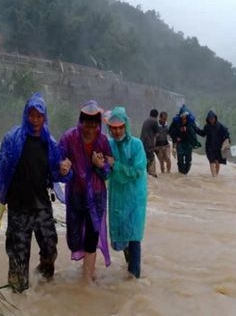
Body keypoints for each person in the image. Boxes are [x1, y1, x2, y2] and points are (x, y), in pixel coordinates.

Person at [0, 92, 72, 293]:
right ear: (25, 115)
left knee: (50, 248)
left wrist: (66, 170)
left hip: (41, 206)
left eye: (39, 116)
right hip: (18, 207)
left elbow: (58, 174)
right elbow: (0, 167)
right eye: (31, 115)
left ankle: (43, 282)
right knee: (17, 255)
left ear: (45, 117)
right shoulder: (12, 139)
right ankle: (18, 298)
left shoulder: (49, 142)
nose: (35, 120)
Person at [59, 100, 112, 281]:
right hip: (75, 193)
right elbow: (58, 162)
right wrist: (63, 167)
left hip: (96, 195)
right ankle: (87, 270)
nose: (90, 128)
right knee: (73, 240)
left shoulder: (103, 141)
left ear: (98, 123)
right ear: (81, 121)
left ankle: (87, 278)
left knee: (92, 235)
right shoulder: (69, 138)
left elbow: (108, 172)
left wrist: (100, 165)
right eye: (86, 123)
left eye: (94, 124)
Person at [105, 107, 147, 278]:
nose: (117, 131)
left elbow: (137, 171)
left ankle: (134, 276)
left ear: (126, 126)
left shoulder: (137, 145)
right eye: (113, 128)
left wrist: (115, 165)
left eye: (120, 127)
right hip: (117, 196)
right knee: (122, 232)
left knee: (134, 234)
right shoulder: (109, 145)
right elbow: (104, 172)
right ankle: (130, 268)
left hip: (135, 197)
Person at [168, 105, 201, 175]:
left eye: (185, 115)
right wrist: (176, 137)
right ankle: (181, 173)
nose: (184, 116)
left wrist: (203, 133)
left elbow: (195, 130)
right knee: (180, 158)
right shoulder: (176, 121)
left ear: (187, 115)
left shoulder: (191, 121)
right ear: (180, 115)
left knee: (188, 159)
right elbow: (170, 131)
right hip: (180, 142)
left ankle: (185, 173)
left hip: (188, 142)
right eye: (182, 115)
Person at [196, 110, 231, 177]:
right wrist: (196, 129)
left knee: (217, 162)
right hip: (209, 148)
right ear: (208, 119)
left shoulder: (220, 126)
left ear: (215, 118)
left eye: (212, 118)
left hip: (218, 147)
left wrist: (227, 140)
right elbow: (203, 134)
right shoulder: (207, 126)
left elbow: (226, 134)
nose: (211, 120)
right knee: (211, 162)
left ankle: (216, 175)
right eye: (210, 118)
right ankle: (214, 177)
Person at [140, 109, 160, 177]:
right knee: (151, 157)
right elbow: (157, 134)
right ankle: (151, 173)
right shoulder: (154, 121)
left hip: (142, 142)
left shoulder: (146, 120)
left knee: (144, 157)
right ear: (157, 115)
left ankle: (144, 172)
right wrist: (155, 145)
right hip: (149, 143)